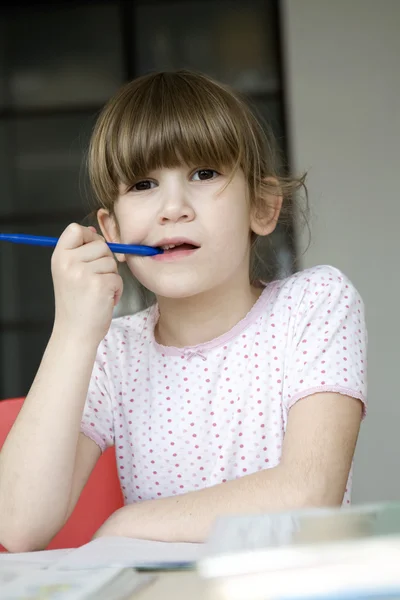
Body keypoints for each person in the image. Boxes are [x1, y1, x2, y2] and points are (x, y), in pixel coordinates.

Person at [0, 71, 367, 552]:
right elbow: (16, 525)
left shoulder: (316, 303)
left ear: (261, 206)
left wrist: (128, 523)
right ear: (112, 233)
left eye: (205, 174)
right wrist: (72, 331)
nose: (173, 208)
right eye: (144, 184)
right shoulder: (114, 351)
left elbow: (307, 494)